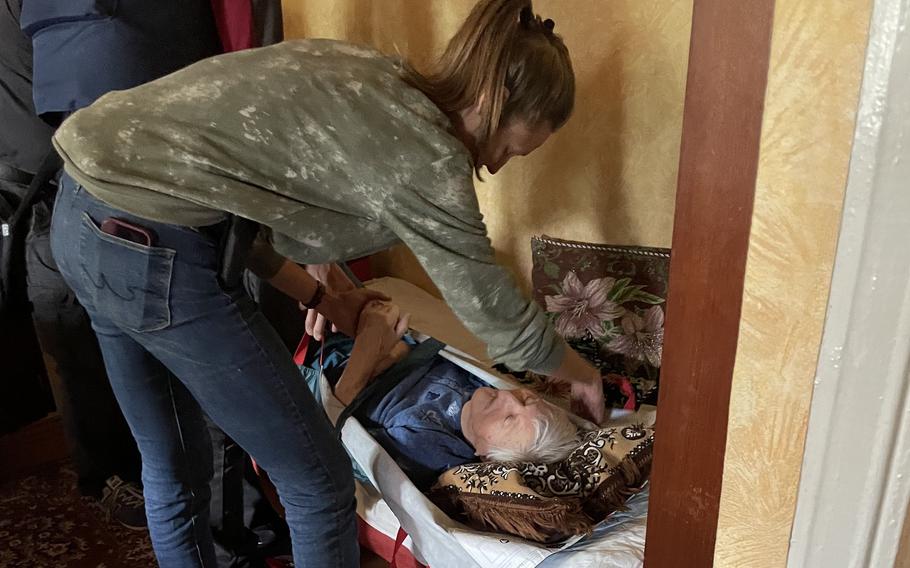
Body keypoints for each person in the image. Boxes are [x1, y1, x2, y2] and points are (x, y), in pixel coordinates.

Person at [48, 0, 606, 565]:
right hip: (149, 245)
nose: (499, 165)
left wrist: (323, 295)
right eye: (512, 147)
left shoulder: (372, 75)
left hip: (80, 213)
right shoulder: (427, 152)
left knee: (173, 462)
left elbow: (240, 211)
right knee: (319, 482)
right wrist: (579, 372)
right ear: (491, 101)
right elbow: (500, 318)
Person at [323, 301, 580, 490]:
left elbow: (339, 423)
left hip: (338, 365)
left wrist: (374, 342)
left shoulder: (433, 446)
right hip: (383, 341)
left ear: (486, 455)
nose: (511, 398)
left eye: (509, 418)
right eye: (528, 399)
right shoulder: (481, 385)